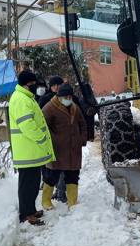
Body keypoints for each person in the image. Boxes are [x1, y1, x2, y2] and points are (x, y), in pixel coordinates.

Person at [9, 69, 55, 225]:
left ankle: (31, 209)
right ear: (27, 85)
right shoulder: (21, 99)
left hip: (31, 151)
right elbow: (27, 125)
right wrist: (42, 138)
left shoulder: (27, 97)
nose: (36, 86)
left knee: (33, 183)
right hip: (27, 151)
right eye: (34, 84)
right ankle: (25, 213)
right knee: (27, 185)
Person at [41, 83, 87, 210]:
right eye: (66, 96)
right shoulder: (49, 107)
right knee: (51, 176)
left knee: (73, 175)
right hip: (58, 149)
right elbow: (43, 126)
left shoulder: (74, 107)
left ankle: (72, 201)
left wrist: (82, 139)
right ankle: (46, 201)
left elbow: (82, 123)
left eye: (70, 96)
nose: (68, 99)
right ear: (59, 96)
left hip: (73, 149)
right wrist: (52, 140)